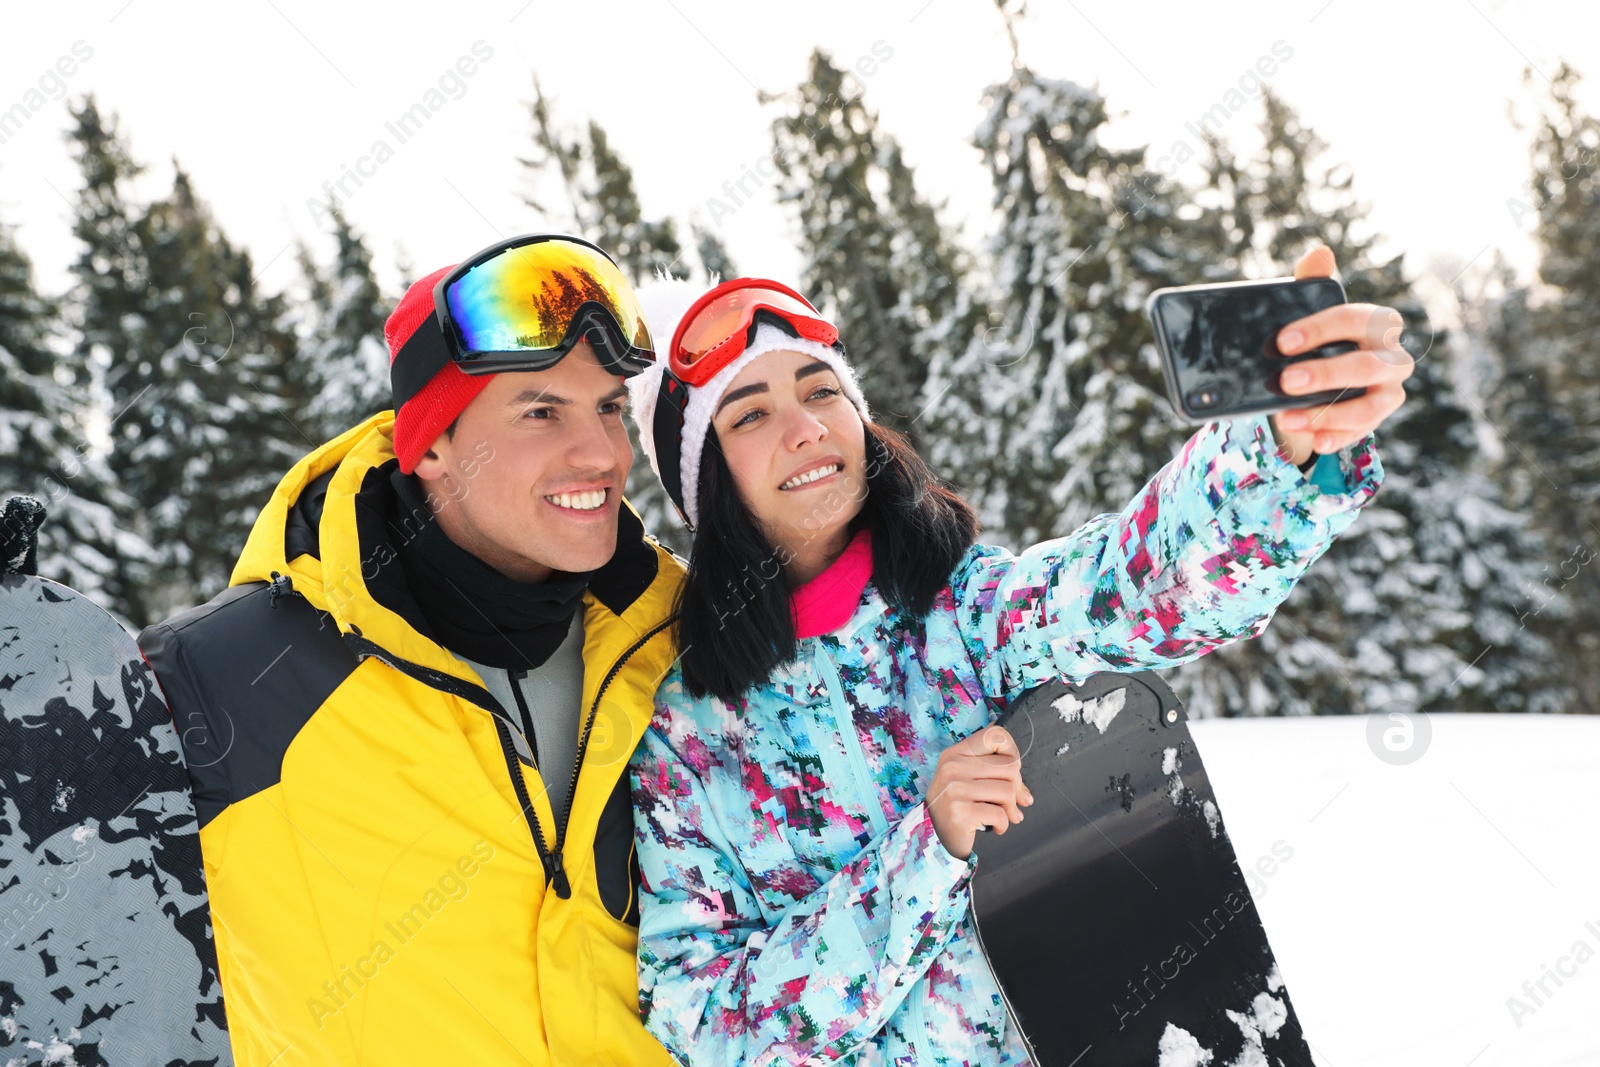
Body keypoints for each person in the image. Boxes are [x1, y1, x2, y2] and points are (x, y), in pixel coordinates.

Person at [624, 246, 1411, 1064]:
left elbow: (1135, 587)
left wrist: (1277, 450)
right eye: (749, 413)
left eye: (821, 390)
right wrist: (927, 851)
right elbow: (705, 1028)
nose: (806, 426)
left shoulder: (966, 613)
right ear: (702, 482)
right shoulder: (688, 738)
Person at [138, 234, 686, 1066]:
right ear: (429, 445)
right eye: (542, 411)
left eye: (609, 406)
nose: (604, 454)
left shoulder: (677, 638)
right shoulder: (217, 678)